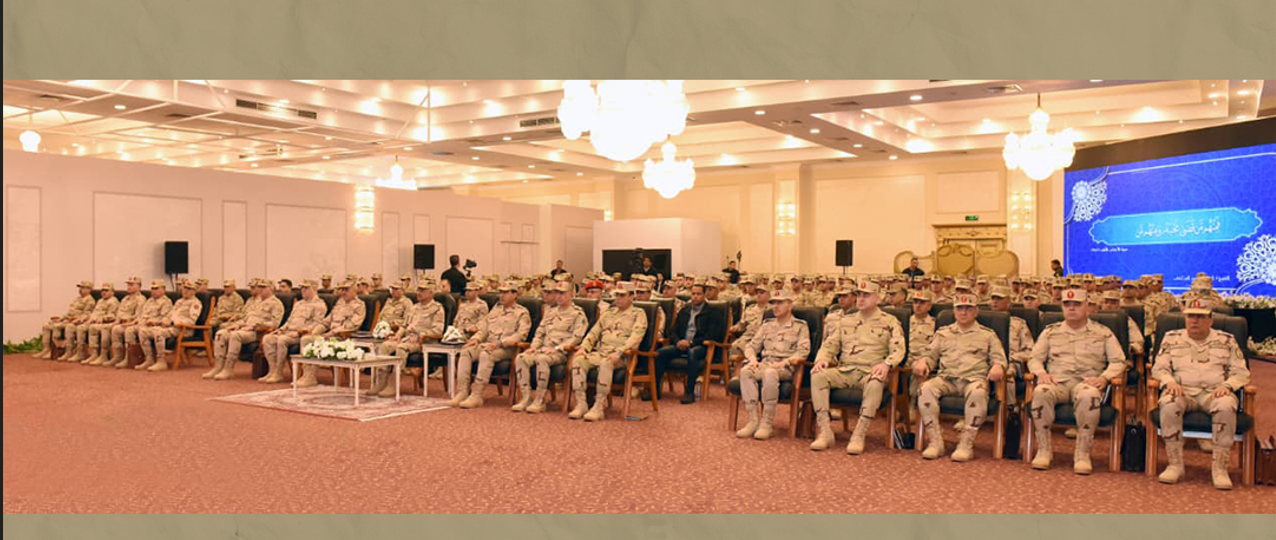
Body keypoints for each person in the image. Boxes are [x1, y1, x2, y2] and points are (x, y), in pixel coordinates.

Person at [1151, 299, 1250, 490]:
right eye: (1190, 316)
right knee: (1169, 403)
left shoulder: (1226, 340)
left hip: (1214, 393)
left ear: (1210, 320)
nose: (1194, 321)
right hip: (1182, 391)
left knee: (1226, 405)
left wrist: (1228, 386)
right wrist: (1169, 382)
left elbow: (1241, 372)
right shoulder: (1171, 338)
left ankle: (1220, 468)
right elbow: (1159, 368)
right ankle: (1175, 465)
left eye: (1200, 317)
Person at [1027, 289, 1126, 475]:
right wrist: (1040, 373)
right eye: (1067, 304)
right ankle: (1044, 450)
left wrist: (1104, 377)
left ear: (1087, 307)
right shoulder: (1050, 332)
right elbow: (1034, 358)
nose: (1071, 308)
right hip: (1057, 382)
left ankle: (1082, 453)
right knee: (1040, 392)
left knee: (1089, 395)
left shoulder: (1103, 332)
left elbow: (1119, 361)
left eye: (1077, 304)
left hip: (1087, 382)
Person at [808, 281, 906, 454]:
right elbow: (830, 345)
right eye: (859, 295)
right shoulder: (846, 321)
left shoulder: (889, 321)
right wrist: (822, 359)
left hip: (871, 371)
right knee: (818, 375)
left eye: (866, 295)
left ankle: (859, 434)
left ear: (877, 298)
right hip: (846, 370)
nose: (861, 298)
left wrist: (886, 364)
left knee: (875, 383)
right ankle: (825, 431)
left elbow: (899, 349)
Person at [913, 293, 1007, 461]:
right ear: (954, 311)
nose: (963, 312)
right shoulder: (943, 333)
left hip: (974, 379)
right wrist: (923, 362)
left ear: (976, 311)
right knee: (925, 388)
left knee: (978, 392)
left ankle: (966, 444)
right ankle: (935, 442)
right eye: (959, 308)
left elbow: (999, 359)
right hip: (946, 379)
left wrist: (998, 366)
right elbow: (929, 355)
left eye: (968, 308)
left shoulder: (987, 335)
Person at [736, 290, 810, 440]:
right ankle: (753, 421)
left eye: (780, 303)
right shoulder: (767, 325)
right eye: (773, 303)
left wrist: (785, 362)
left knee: (770, 373)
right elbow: (751, 346)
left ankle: (767, 423)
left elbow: (803, 352)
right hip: (765, 364)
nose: (775, 306)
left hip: (786, 367)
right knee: (746, 371)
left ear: (790, 305)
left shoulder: (800, 326)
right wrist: (752, 359)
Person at [569, 286, 648, 421]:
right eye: (617, 295)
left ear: (631, 296)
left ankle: (598, 406)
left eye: (622, 295)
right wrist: (584, 348)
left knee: (606, 363)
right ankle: (581, 403)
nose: (618, 298)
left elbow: (636, 337)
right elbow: (594, 333)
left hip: (622, 356)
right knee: (578, 360)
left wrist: (620, 351)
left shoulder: (638, 314)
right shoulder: (608, 313)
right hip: (601, 352)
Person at [451, 282, 531, 409]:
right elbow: (484, 328)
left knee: (486, 354)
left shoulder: (522, 312)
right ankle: (462, 391)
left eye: (505, 292)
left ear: (514, 294)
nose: (502, 295)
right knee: (466, 351)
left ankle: (476, 395)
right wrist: (476, 339)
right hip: (489, 344)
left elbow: (521, 335)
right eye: (501, 292)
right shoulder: (495, 310)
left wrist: (500, 343)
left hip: (507, 348)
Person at [513, 282, 588, 413]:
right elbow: (540, 333)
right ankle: (526, 397)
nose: (558, 296)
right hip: (543, 349)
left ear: (571, 294)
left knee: (542, 359)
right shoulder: (550, 312)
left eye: (562, 293)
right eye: (557, 293)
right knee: (521, 358)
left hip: (562, 353)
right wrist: (534, 347)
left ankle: (540, 400)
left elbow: (577, 337)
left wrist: (558, 348)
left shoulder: (578, 314)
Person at [653, 282, 726, 404]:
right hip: (682, 345)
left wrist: (691, 342)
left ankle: (689, 392)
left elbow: (712, 336)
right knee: (660, 353)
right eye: (693, 294)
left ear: (704, 295)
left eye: (698, 294)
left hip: (701, 346)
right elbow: (673, 332)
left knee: (693, 353)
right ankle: (655, 391)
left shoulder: (713, 312)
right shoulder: (684, 310)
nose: (695, 297)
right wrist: (678, 341)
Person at [374, 282, 445, 397]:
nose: (418, 293)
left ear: (431, 293)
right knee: (385, 345)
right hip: (407, 339)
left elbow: (438, 330)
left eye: (422, 290)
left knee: (401, 348)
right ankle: (380, 382)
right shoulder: (414, 307)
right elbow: (404, 325)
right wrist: (398, 335)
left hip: (424, 342)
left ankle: (393, 384)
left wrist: (420, 335)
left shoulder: (437, 308)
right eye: (418, 290)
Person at [208, 279, 284, 380]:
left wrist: (255, 326)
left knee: (235, 335)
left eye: (263, 287)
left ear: (271, 289)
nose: (260, 289)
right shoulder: (256, 302)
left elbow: (275, 324)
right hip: (245, 329)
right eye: (259, 287)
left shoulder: (276, 303)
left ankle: (228, 369)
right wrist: (237, 324)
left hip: (257, 332)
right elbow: (246, 318)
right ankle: (218, 367)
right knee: (220, 334)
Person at [296, 280, 366, 386]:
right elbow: (326, 322)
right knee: (307, 338)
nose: (343, 292)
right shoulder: (339, 303)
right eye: (342, 289)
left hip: (343, 338)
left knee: (315, 340)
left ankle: (310, 376)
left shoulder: (359, 305)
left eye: (346, 289)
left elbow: (352, 325)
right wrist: (315, 332)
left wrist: (332, 333)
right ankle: (308, 375)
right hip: (329, 336)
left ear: (354, 290)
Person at [259, 280, 326, 383]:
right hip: (289, 332)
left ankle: (278, 372)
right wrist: (281, 329)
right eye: (302, 288)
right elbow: (289, 320)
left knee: (282, 340)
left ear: (314, 289)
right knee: (268, 338)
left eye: (306, 288)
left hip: (301, 334)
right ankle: (272, 371)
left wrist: (299, 332)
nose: (303, 290)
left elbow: (317, 324)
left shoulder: (319, 305)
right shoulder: (298, 304)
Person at [139, 281, 203, 372]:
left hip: (183, 329)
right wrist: (162, 321)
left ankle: (161, 361)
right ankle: (149, 359)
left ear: (194, 291)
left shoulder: (195, 303)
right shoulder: (179, 301)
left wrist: (173, 323)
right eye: (184, 288)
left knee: (158, 332)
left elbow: (191, 321)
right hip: (171, 328)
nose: (185, 290)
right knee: (143, 331)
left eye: (189, 289)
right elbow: (170, 315)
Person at [990, 286, 1034, 407]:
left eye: (999, 299)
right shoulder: (982, 322)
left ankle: (1009, 409)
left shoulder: (1019, 323)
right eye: (993, 298)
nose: (995, 302)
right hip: (987, 360)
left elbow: (1029, 350)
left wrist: (1013, 357)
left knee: (1007, 373)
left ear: (1008, 302)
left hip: (1011, 361)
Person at [38, 281, 97, 359]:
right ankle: (47, 349)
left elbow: (87, 314)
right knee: (46, 326)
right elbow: (70, 312)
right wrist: (61, 319)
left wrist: (74, 320)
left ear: (88, 289)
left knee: (59, 327)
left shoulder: (90, 300)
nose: (80, 289)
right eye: (80, 287)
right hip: (68, 319)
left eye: (83, 288)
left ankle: (67, 351)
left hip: (76, 322)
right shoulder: (77, 299)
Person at [904, 290, 937, 425]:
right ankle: (895, 405)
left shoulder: (935, 324)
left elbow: (935, 348)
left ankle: (912, 405)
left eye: (922, 303)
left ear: (929, 306)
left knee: (918, 368)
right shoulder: (904, 321)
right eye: (915, 302)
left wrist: (923, 360)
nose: (917, 305)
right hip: (905, 357)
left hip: (924, 359)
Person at [101, 277, 146, 368]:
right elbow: (119, 313)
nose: (129, 287)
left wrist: (130, 322)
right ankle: (117, 356)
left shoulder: (141, 299)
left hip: (132, 323)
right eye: (128, 284)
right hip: (122, 323)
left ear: (139, 286)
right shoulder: (125, 299)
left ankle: (128, 358)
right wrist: (117, 321)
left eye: (131, 285)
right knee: (114, 329)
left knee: (127, 330)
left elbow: (138, 316)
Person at [70, 282, 120, 363]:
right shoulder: (100, 301)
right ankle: (82, 353)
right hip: (95, 322)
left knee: (94, 328)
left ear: (112, 292)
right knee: (80, 327)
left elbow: (113, 316)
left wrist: (102, 319)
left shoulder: (113, 301)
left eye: (106, 290)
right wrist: (90, 319)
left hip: (106, 323)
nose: (103, 292)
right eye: (102, 290)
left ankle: (103, 355)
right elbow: (94, 313)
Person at [132, 281, 175, 371]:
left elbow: (165, 319)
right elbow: (143, 315)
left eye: (156, 288)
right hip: (146, 325)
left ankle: (161, 361)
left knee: (156, 332)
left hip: (159, 326)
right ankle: (147, 359)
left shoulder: (166, 302)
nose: (153, 291)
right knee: (136, 330)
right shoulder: (149, 301)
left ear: (163, 290)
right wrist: (141, 322)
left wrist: (153, 322)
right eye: (152, 289)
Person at [728, 284, 769, 360]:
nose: (758, 295)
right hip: (748, 336)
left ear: (769, 295)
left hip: (763, 337)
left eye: (761, 293)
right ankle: (737, 366)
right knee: (735, 345)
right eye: (757, 293)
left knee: (742, 347)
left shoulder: (772, 310)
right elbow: (742, 324)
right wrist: (735, 327)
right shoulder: (750, 309)